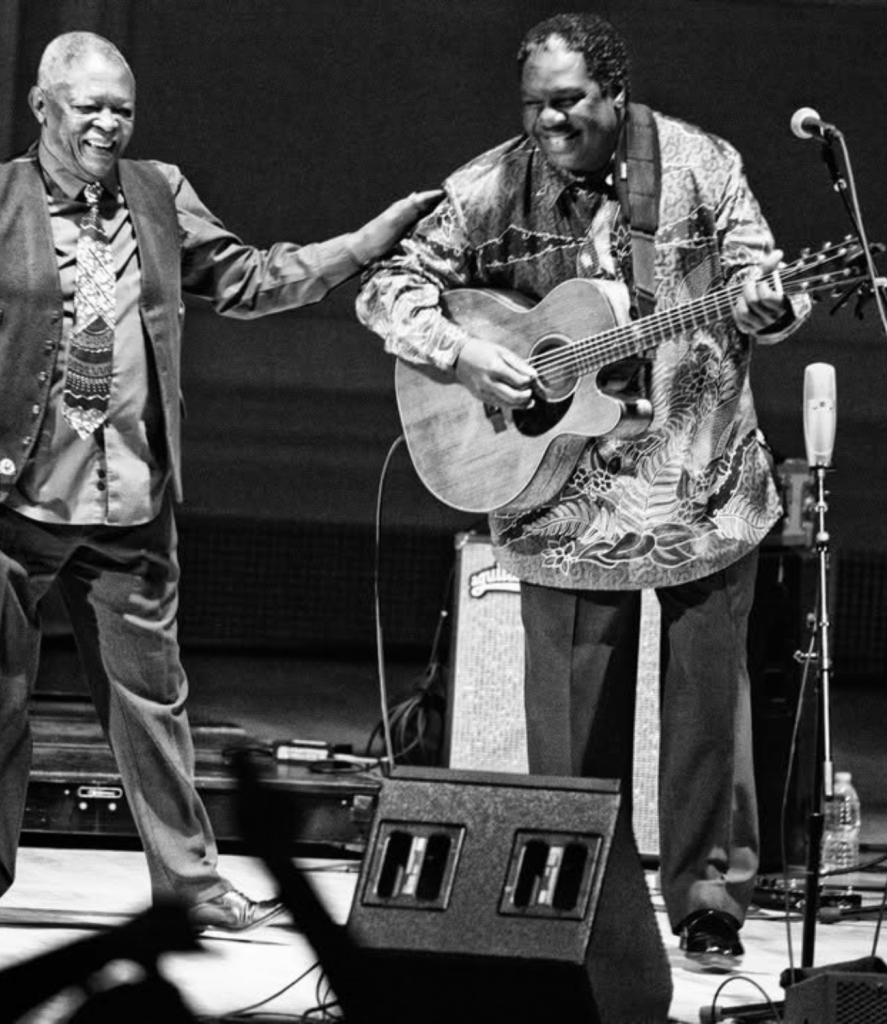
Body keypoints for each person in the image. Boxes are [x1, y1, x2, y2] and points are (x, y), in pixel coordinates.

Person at [0, 30, 440, 936]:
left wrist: (363, 244)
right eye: (90, 105)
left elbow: (250, 279)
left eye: (122, 108)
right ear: (42, 106)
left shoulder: (159, 192)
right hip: (3, 495)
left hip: (128, 500)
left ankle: (193, 884)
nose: (108, 123)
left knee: (155, 703)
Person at [356, 13, 810, 971]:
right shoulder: (492, 183)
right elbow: (385, 288)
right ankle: (578, 899)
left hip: (701, 479)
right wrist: (466, 352)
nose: (548, 123)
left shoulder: (701, 165)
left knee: (704, 710)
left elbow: (759, 280)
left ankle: (706, 901)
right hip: (561, 500)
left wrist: (774, 305)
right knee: (569, 728)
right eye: (533, 104)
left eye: (567, 102)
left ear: (615, 92)